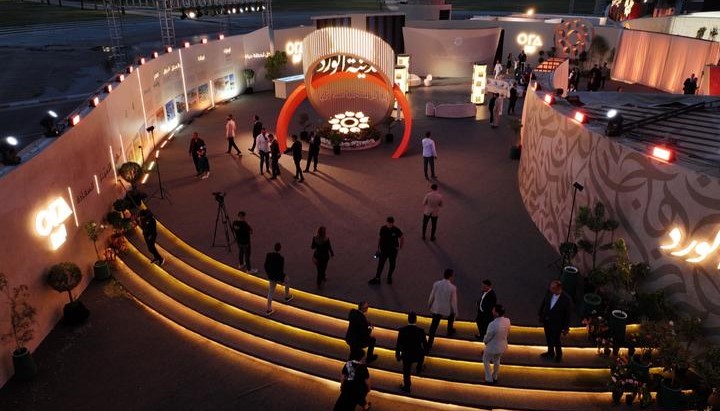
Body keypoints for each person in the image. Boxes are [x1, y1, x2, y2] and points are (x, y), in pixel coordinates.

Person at [538, 280, 572, 362]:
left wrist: (566, 327)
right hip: (547, 320)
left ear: (558, 289)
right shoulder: (549, 292)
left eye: (552, 288)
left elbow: (567, 314)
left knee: (556, 340)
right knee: (548, 337)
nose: (550, 289)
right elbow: (544, 302)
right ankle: (550, 352)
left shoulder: (566, 299)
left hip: (557, 323)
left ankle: (559, 355)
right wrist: (540, 313)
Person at [395, 311, 427, 393]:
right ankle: (419, 368)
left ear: (408, 320)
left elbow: (398, 344)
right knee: (422, 352)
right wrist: (425, 352)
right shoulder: (421, 331)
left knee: (406, 370)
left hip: (406, 355)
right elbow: (425, 345)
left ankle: (407, 386)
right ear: (416, 320)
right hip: (417, 355)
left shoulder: (402, 330)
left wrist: (398, 356)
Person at [427, 268, 458, 352]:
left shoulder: (436, 284)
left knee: (434, 326)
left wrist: (429, 304)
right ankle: (449, 330)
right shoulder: (452, 288)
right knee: (451, 315)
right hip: (446, 309)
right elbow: (453, 302)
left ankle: (429, 343)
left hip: (436, 308)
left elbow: (432, 295)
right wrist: (455, 312)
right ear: (451, 276)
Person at [368, 216, 404, 285]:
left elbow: (402, 237)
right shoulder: (383, 228)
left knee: (392, 265)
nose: (389, 224)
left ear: (393, 223)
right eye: (388, 223)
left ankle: (389, 277)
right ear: (387, 222)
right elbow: (380, 238)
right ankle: (377, 278)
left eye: (391, 223)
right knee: (380, 264)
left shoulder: (396, 230)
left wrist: (400, 247)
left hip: (393, 251)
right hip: (384, 250)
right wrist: (378, 248)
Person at [482, 304, 511, 384]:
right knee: (497, 360)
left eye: (493, 310)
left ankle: (488, 378)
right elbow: (508, 332)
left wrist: (485, 341)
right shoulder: (507, 321)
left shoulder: (492, 324)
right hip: (502, 346)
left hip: (492, 347)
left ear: (497, 313)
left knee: (485, 360)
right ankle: (495, 376)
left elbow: (488, 337)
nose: (492, 311)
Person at [263, 242, 294, 315]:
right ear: (280, 249)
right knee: (287, 280)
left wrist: (268, 275)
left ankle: (269, 309)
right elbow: (280, 270)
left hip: (271, 276)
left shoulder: (268, 255)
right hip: (277, 276)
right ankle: (286, 296)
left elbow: (265, 266)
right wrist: (281, 280)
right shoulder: (281, 258)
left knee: (271, 291)